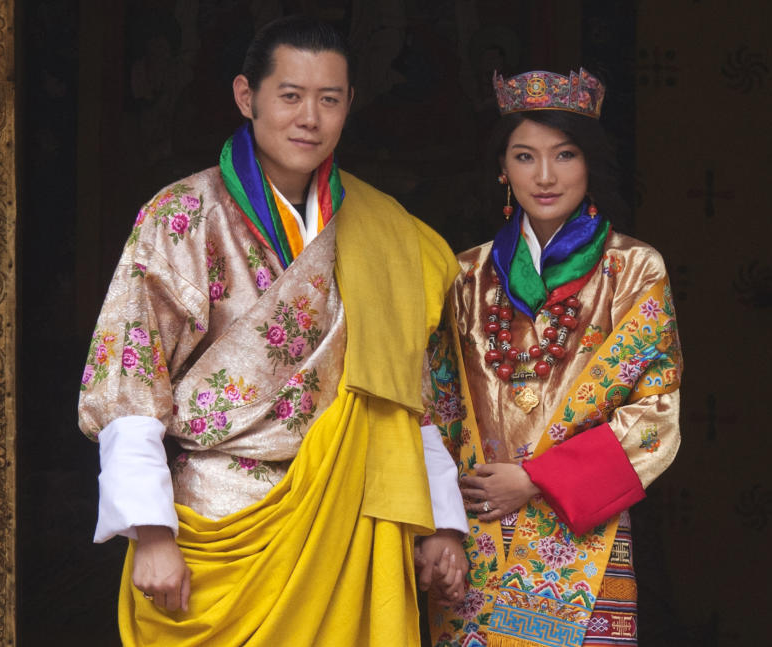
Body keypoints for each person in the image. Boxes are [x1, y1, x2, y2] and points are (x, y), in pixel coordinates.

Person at [77, 16, 468, 646]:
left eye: (329, 99)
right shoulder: (182, 214)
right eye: (290, 95)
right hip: (216, 519)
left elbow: (407, 393)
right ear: (245, 96)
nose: (309, 117)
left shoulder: (384, 230)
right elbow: (129, 376)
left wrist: (440, 522)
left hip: (344, 519)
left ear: (348, 107)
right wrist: (150, 530)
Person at [426, 69, 683, 647]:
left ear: (589, 162)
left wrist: (536, 479)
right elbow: (434, 407)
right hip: (476, 536)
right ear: (502, 168)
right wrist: (438, 526)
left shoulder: (635, 269)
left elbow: (655, 415)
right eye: (524, 156)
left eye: (564, 155)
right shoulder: (463, 275)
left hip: (581, 538)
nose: (544, 177)